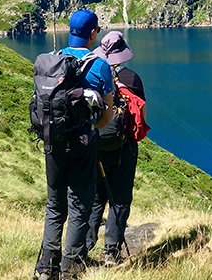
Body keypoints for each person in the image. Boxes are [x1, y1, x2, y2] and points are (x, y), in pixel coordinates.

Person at [35, 10, 114, 280]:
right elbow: (107, 117)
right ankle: (70, 268)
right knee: (80, 205)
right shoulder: (100, 66)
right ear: (92, 33)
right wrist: (89, 126)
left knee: (55, 205)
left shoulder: (52, 60)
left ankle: (46, 267)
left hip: (52, 142)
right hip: (82, 143)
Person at [86, 30, 147, 266]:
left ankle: (84, 246)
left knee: (95, 198)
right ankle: (111, 251)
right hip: (124, 148)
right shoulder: (132, 78)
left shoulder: (92, 74)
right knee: (120, 200)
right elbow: (141, 116)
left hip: (96, 146)